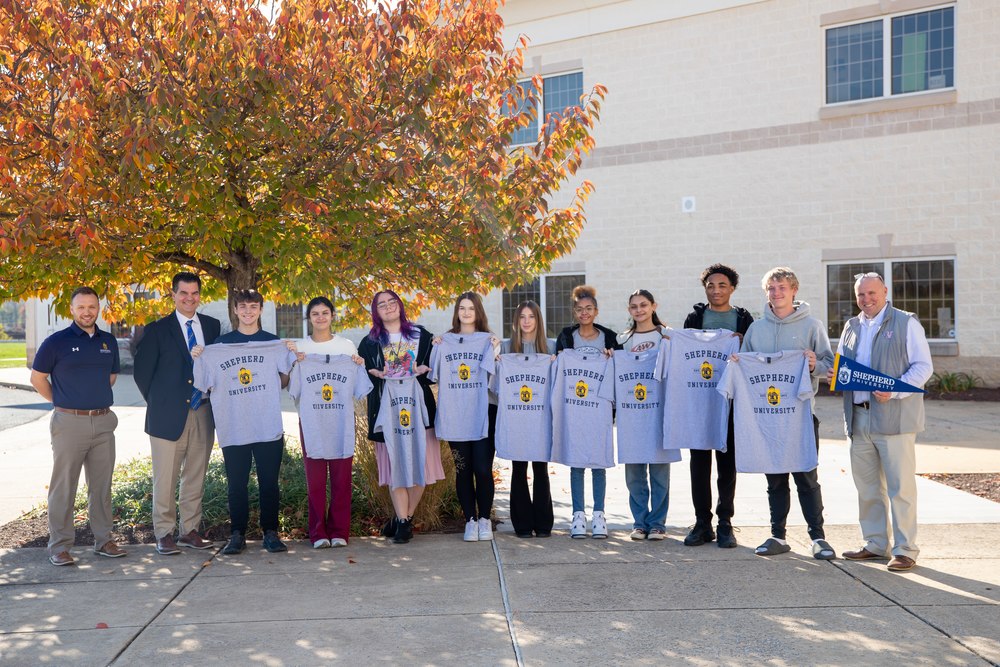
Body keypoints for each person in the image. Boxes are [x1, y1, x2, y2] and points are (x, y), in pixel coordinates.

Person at [832, 273, 933, 572]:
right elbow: (842, 365)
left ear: (885, 291)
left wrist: (896, 390)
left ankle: (905, 550)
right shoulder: (851, 326)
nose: (867, 299)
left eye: (872, 293)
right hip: (858, 416)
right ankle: (875, 544)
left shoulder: (906, 323)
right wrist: (835, 374)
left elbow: (923, 367)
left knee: (900, 488)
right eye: (861, 295)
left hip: (895, 418)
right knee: (867, 488)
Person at [741, 267, 837, 561]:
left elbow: (830, 365)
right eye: (771, 288)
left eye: (782, 287)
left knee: (806, 477)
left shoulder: (812, 325)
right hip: (768, 419)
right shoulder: (756, 329)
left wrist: (814, 365)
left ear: (794, 290)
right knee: (775, 480)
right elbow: (745, 367)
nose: (776, 293)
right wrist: (737, 361)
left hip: (801, 416)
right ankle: (777, 536)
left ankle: (818, 537)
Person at [193, 289, 294, 555]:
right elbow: (206, 384)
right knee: (236, 484)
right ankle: (237, 534)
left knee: (269, 483)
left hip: (267, 425)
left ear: (260, 310)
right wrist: (200, 357)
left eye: (253, 306)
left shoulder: (273, 343)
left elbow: (283, 382)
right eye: (243, 307)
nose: (248, 311)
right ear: (235, 310)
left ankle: (270, 533)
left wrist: (290, 356)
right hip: (234, 426)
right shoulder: (218, 346)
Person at [30, 287, 126, 566]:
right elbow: (37, 379)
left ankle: (104, 540)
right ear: (71, 309)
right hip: (69, 423)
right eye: (81, 307)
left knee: (101, 486)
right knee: (64, 486)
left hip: (103, 422)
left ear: (98, 309)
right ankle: (59, 546)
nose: (87, 312)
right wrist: (61, 401)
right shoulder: (56, 342)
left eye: (92, 307)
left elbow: (110, 378)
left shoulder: (108, 341)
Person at [133, 272, 221, 556]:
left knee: (195, 476)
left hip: (203, 412)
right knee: (165, 478)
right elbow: (142, 374)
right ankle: (164, 533)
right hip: (166, 416)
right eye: (183, 293)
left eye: (194, 293)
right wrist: (161, 403)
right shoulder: (157, 330)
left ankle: (189, 531)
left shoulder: (212, 326)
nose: (189, 298)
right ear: (173, 294)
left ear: (200, 295)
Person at [358, 290, 445, 544]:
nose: (388, 307)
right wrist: (374, 372)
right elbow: (362, 377)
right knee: (395, 467)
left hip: (419, 411)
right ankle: (404, 523)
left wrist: (426, 365)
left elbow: (434, 370)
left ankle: (402, 518)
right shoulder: (369, 343)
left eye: (392, 301)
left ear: (400, 305)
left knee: (421, 467)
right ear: (376, 312)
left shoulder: (422, 335)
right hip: (386, 413)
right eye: (381, 304)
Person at [682, 264, 754, 548]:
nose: (716, 290)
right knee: (699, 463)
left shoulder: (743, 319)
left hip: (731, 400)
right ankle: (702, 522)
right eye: (710, 285)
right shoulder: (695, 318)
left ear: (732, 288)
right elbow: (684, 354)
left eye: (722, 285)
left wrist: (743, 343)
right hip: (699, 399)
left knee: (727, 464)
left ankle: (725, 522)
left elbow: (751, 356)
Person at [289, 296, 362, 549]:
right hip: (311, 422)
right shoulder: (300, 348)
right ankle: (318, 532)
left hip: (341, 421)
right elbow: (292, 387)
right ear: (309, 318)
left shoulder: (347, 347)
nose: (320, 317)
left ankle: (340, 531)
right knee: (316, 481)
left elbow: (358, 385)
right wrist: (295, 363)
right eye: (315, 313)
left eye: (325, 313)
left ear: (332, 316)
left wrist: (359, 364)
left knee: (342, 480)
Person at [431, 292, 499, 542]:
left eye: (471, 308)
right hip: (455, 414)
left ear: (478, 311)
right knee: (463, 469)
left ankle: (485, 519)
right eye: (462, 308)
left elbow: (494, 377)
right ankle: (470, 519)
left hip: (482, 413)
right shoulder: (444, 341)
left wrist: (495, 348)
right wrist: (437, 346)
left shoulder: (488, 340)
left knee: (482, 468)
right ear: (456, 312)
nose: (467, 312)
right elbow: (433, 373)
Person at [555, 285, 622, 538]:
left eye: (589, 308)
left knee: (598, 462)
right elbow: (558, 369)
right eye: (580, 309)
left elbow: (618, 372)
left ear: (596, 311)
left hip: (599, 409)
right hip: (574, 409)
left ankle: (599, 515)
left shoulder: (609, 337)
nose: (584, 313)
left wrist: (613, 356)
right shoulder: (566, 336)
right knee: (576, 463)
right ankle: (578, 515)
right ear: (574, 312)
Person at [616, 289, 676, 541]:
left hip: (659, 413)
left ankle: (658, 524)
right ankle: (640, 523)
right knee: (635, 474)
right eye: (634, 306)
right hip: (632, 415)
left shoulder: (668, 336)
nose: (639, 310)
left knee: (660, 472)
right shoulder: (623, 340)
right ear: (629, 310)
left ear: (654, 306)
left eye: (643, 305)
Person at [500, 301, 556, 538]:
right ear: (516, 320)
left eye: (531, 316)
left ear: (538, 319)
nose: (526, 321)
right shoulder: (506, 348)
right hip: (516, 418)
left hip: (541, 417)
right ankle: (522, 524)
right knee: (519, 468)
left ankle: (543, 524)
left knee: (541, 468)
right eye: (522, 316)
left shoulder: (550, 347)